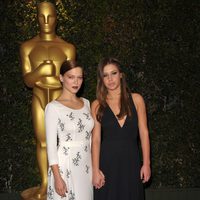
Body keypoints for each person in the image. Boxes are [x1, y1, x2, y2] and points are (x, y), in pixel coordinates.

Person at [20, 2, 76, 198]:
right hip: (39, 96)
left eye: (50, 16)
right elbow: (27, 80)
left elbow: (72, 79)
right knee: (43, 142)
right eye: (41, 16)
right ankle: (45, 184)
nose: (45, 21)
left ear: (56, 19)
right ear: (36, 18)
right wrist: (40, 71)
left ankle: (64, 180)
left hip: (61, 100)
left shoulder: (67, 48)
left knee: (64, 143)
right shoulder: (28, 47)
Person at [91, 57, 151, 200]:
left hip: (131, 162)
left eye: (114, 73)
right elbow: (96, 140)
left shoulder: (137, 100)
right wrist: (95, 170)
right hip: (107, 164)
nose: (110, 79)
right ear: (101, 79)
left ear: (121, 74)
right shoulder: (97, 104)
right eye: (105, 75)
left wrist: (146, 164)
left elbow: (144, 133)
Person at [45, 60, 94, 200]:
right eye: (71, 77)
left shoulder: (86, 103)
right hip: (64, 166)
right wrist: (57, 177)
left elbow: (90, 138)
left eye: (79, 77)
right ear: (61, 78)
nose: (76, 82)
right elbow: (51, 146)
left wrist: (95, 168)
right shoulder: (53, 107)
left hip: (86, 166)